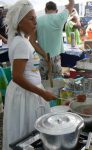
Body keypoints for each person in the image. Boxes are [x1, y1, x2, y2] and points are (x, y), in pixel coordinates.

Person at [3, 0, 56, 149]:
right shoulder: (20, 43)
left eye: (35, 18)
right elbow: (17, 76)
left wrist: (44, 55)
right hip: (25, 95)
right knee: (27, 134)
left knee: (28, 132)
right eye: (31, 19)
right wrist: (42, 93)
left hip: (27, 93)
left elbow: (30, 49)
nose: (35, 22)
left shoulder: (22, 40)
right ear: (20, 23)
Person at [30, 0, 74, 79]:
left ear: (45, 10)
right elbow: (71, 5)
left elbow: (32, 41)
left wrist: (44, 54)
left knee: (42, 84)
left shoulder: (37, 21)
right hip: (56, 58)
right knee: (57, 83)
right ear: (56, 10)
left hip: (42, 58)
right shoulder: (60, 17)